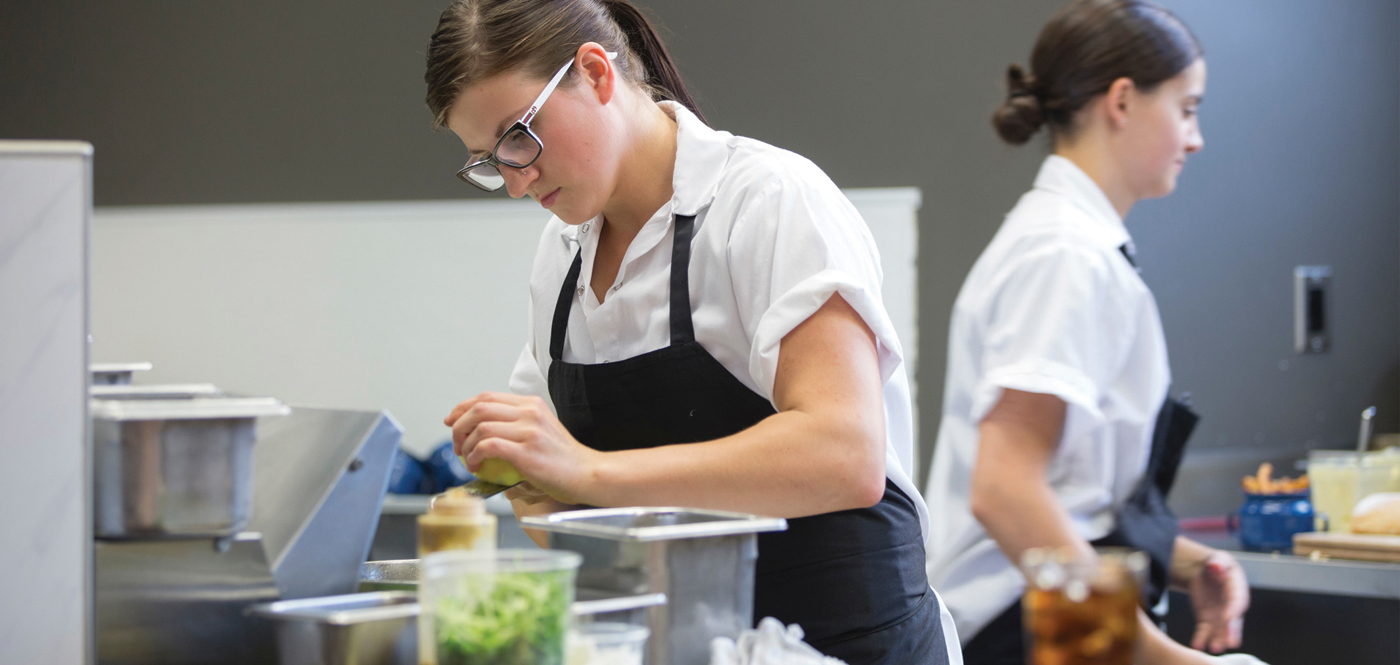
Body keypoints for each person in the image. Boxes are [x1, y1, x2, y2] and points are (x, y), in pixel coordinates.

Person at [425, 1, 959, 662]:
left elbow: (845, 454)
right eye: (488, 161)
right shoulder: (561, 256)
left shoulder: (767, 202)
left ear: (595, 73)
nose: (514, 180)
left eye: (519, 138)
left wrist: (589, 471)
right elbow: (559, 504)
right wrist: (525, 471)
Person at [923, 1, 1260, 664]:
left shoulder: (1076, 245)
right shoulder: (1064, 255)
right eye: (1188, 109)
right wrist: (1150, 652)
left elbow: (1072, 492)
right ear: (1124, 101)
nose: (1196, 139)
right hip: (1017, 627)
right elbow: (1006, 488)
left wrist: (1185, 560)